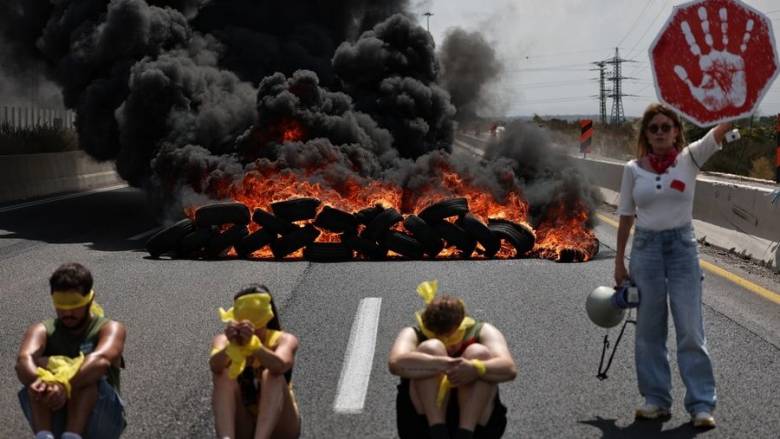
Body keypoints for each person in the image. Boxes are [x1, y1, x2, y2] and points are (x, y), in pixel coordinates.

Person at [614, 103, 733, 429]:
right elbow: (625, 217)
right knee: (649, 332)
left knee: (690, 329)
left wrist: (739, 99)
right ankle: (656, 400)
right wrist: (619, 263)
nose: (661, 133)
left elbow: (721, 130)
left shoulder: (689, 159)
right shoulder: (632, 169)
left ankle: (700, 405)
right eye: (654, 128)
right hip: (646, 251)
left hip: (682, 252)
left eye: (667, 127)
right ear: (646, 135)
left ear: (677, 131)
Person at [388, 280, 517, 439]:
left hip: (476, 419)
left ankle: (465, 432)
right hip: (424, 419)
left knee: (479, 353)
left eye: (453, 336)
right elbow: (395, 364)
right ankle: (437, 430)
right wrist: (440, 363)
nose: (448, 345)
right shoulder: (412, 333)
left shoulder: (483, 330)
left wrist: (476, 368)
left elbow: (509, 369)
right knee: (431, 349)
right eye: (440, 337)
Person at [15, 262, 127, 439]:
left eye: (75, 304)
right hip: (54, 407)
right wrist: (42, 382)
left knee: (88, 375)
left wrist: (64, 385)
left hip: (102, 418)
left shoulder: (111, 328)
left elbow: (102, 359)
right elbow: (23, 360)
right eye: (61, 304)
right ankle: (45, 436)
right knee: (37, 381)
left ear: (90, 299)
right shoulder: (41, 330)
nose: (67, 312)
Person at [209, 284, 300, 439]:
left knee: (272, 376)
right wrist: (231, 347)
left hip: (281, 424)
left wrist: (255, 347)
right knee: (222, 375)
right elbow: (214, 366)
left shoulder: (283, 339)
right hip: (244, 422)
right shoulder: (224, 341)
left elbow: (280, 365)